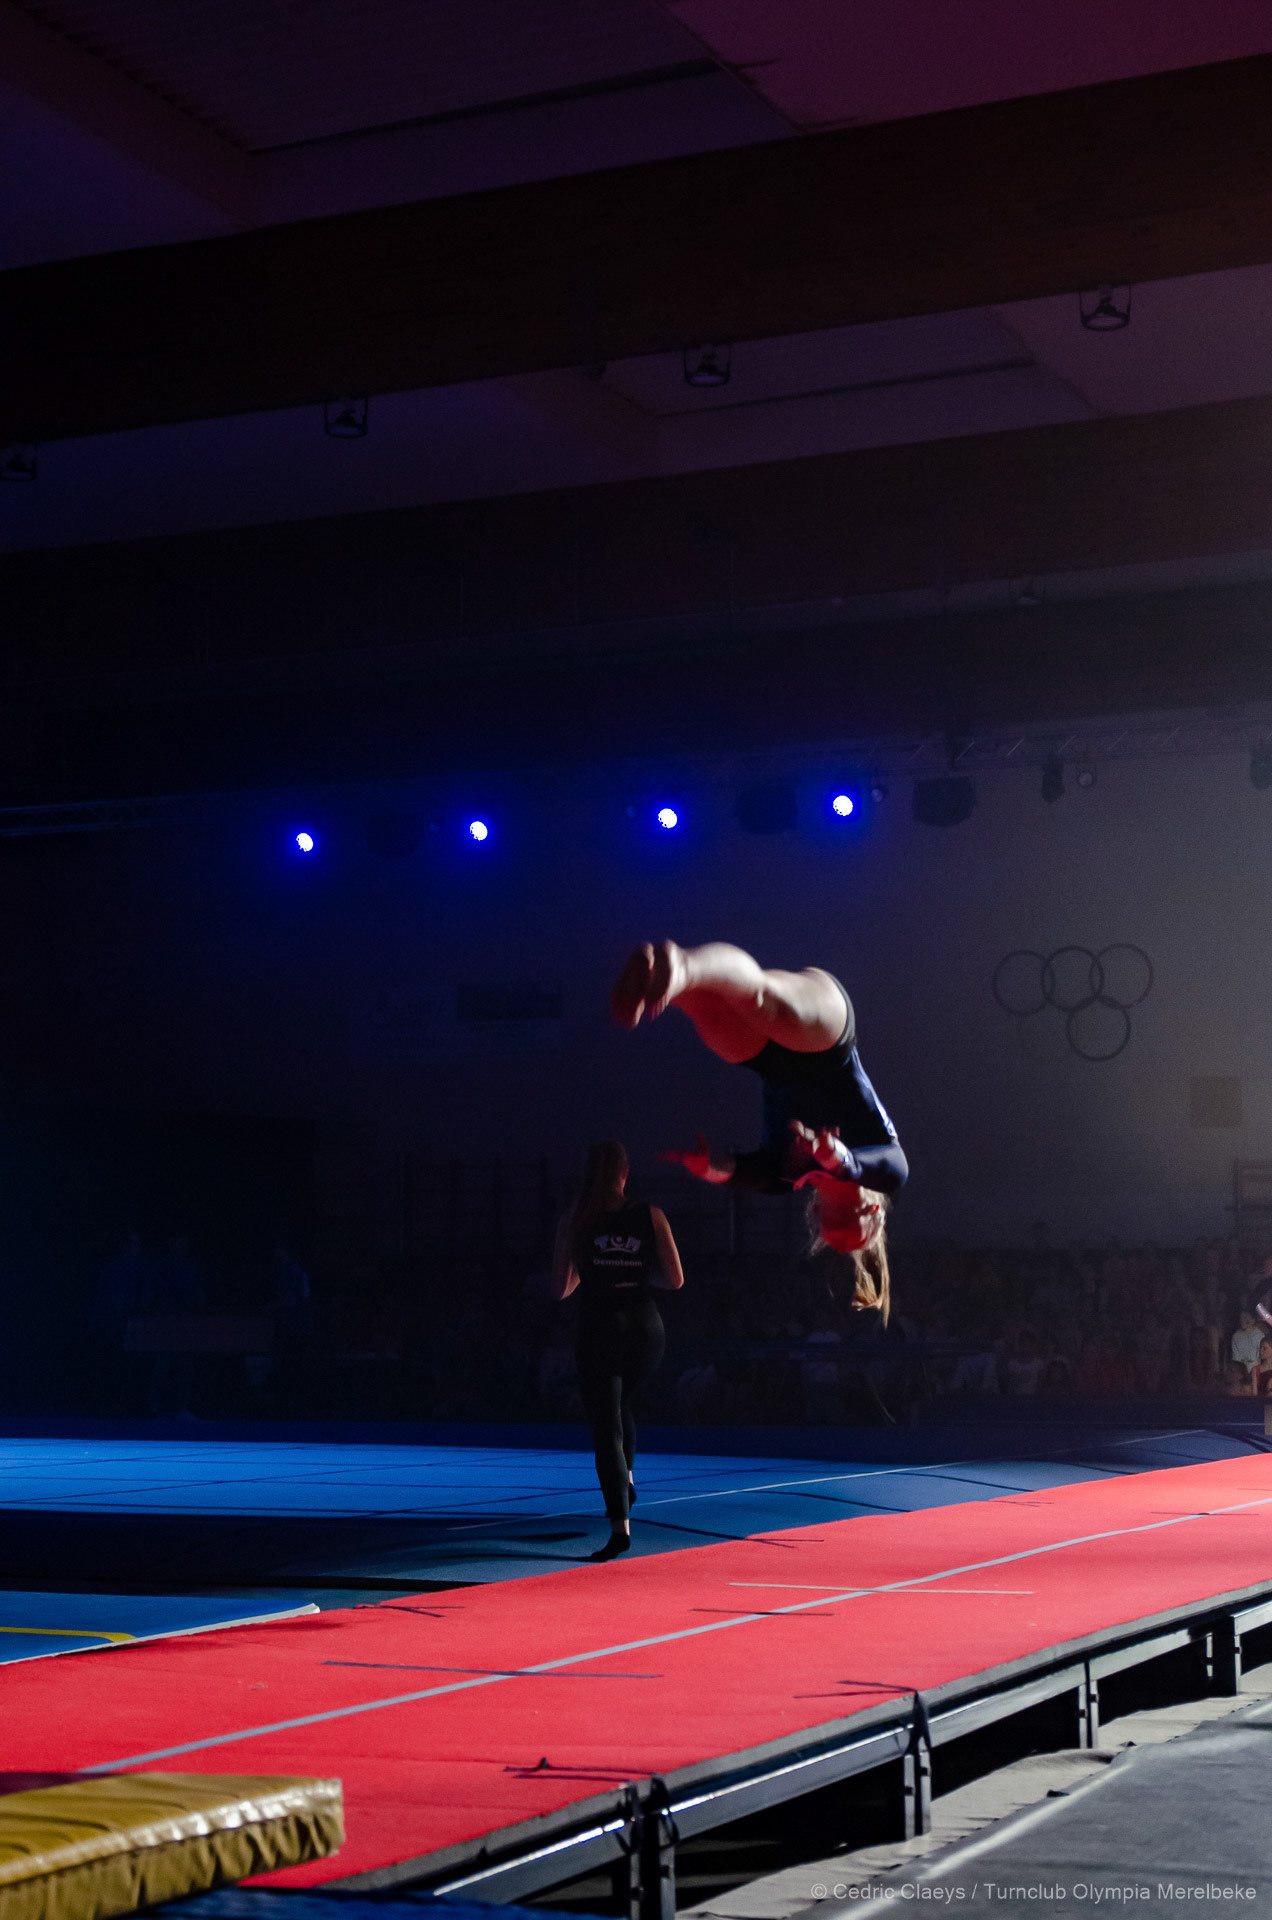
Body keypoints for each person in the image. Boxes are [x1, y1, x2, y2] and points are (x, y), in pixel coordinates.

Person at [611, 939, 907, 1255]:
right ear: (874, 1212)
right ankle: (682, 963)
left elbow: (745, 1173)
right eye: (859, 1242)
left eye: (837, 1247)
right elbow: (878, 1165)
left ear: (817, 1213)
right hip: (828, 1043)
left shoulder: (788, 1176)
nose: (845, 1250)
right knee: (759, 998)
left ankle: (662, 982)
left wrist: (706, 1167)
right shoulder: (886, 1170)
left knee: (706, 1007)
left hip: (766, 1061)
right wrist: (836, 1156)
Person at [552, 1140, 684, 1560]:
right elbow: (675, 1279)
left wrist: (595, 1273)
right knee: (622, 1402)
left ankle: (619, 1526)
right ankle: (626, 1477)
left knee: (606, 1423)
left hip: (601, 1325)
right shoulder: (651, 1215)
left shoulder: (576, 1217)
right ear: (625, 1173)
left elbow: (560, 1288)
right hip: (646, 1327)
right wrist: (635, 1276)